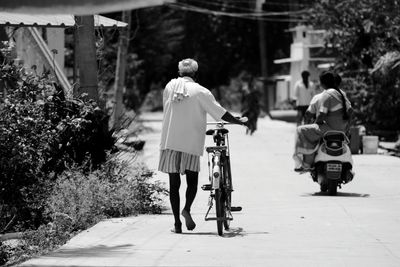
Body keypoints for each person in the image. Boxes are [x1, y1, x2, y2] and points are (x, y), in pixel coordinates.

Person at [158, 58, 247, 233]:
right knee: (192, 182)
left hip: (170, 141)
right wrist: (238, 121)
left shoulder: (169, 87)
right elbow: (221, 114)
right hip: (190, 143)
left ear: (179, 72)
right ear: (195, 74)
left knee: (174, 184)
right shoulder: (201, 91)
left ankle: (177, 224)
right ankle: (187, 209)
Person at [293, 71, 352, 172]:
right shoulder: (341, 94)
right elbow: (351, 111)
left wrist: (316, 123)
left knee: (300, 130)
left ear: (322, 83)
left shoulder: (326, 95)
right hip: (342, 130)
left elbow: (321, 115)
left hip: (329, 129)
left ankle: (307, 164)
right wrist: (347, 126)